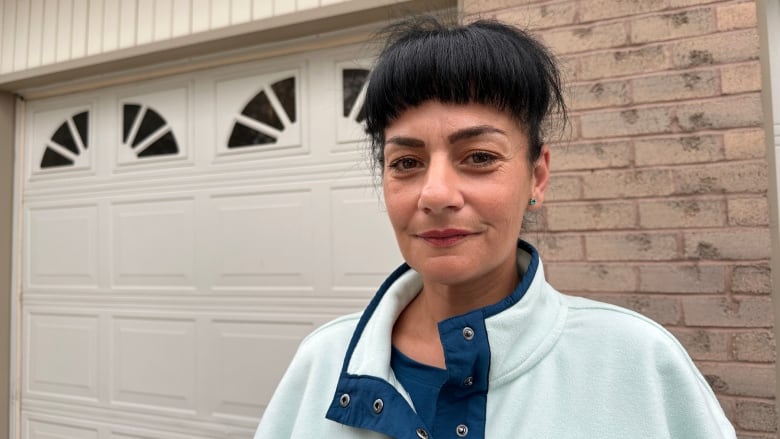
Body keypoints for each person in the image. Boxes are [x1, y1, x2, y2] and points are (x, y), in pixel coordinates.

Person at [253, 16, 736, 439]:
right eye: (406, 162)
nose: (436, 194)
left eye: (479, 157)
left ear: (537, 176)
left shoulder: (638, 364)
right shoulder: (321, 363)